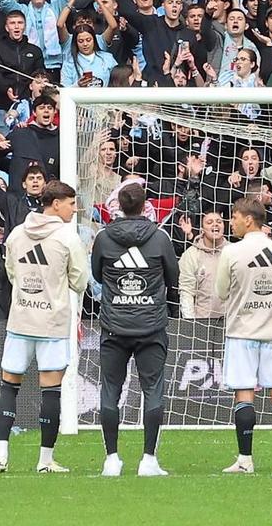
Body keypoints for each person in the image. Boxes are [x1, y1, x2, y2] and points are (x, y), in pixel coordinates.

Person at [0, 180, 89, 475]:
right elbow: (80, 280)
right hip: (52, 322)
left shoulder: (17, 233)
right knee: (50, 389)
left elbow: (11, 271)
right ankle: (45, 460)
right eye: (71, 204)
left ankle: (1, 455)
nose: (74, 210)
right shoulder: (67, 237)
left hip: (21, 319)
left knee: (9, 384)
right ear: (56, 203)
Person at [91, 179, 181, 478]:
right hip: (150, 326)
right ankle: (148, 459)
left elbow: (97, 275)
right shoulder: (160, 238)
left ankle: (112, 459)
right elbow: (173, 277)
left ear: (119, 206)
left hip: (114, 325)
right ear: (145, 206)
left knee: (110, 390)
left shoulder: (104, 238)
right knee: (152, 389)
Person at [215, 195, 272, 474]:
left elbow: (221, 292)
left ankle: (245, 459)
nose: (232, 223)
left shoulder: (230, 252)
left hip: (242, 332)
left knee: (244, 394)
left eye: (235, 218)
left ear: (248, 219)